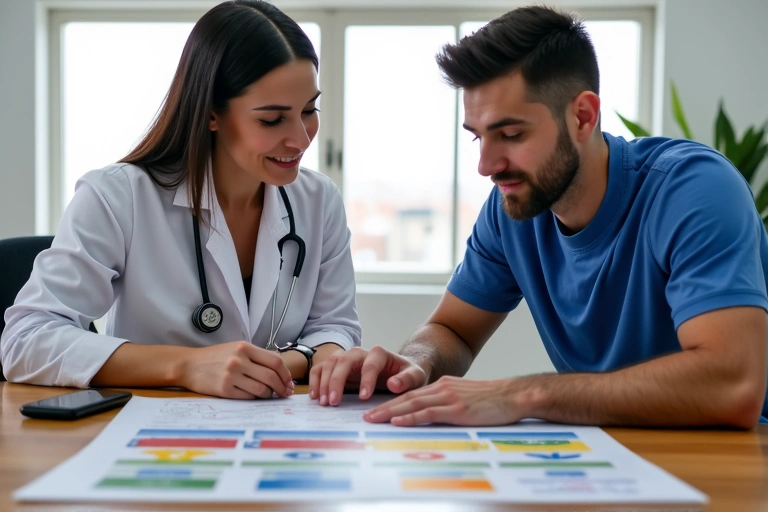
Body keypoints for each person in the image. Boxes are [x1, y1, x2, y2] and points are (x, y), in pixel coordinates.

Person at [308, 5, 768, 428]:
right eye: (477, 137)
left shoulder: (695, 191)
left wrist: (523, 394)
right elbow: (452, 329)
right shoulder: (514, 207)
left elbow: (733, 385)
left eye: (510, 133)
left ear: (583, 117)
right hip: (608, 457)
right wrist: (416, 362)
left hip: (727, 459)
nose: (487, 166)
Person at [1, 0, 361, 399]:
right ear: (211, 114)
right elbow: (26, 341)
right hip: (152, 437)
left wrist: (299, 361)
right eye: (272, 119)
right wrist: (186, 365)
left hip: (274, 427)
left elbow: (337, 328)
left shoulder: (318, 200)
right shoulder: (118, 196)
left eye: (310, 110)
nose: (301, 138)